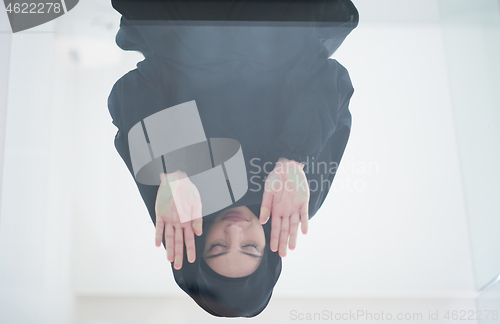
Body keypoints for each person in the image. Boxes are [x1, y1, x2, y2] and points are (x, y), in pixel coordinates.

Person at [108, 0, 359, 317]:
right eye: (251, 248)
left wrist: (171, 170)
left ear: (197, 247)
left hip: (187, 21)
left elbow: (132, 89)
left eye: (218, 247)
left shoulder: (181, 197)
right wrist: (293, 160)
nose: (235, 231)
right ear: (268, 250)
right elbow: (330, 80)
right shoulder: (292, 202)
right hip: (281, 23)